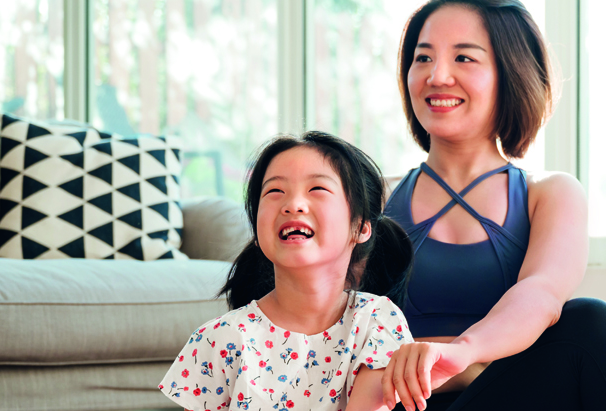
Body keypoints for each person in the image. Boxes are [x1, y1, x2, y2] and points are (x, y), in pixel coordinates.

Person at [380, 1, 606, 410]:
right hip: (396, 403)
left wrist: (462, 354)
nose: (438, 76)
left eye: (464, 57)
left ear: (509, 72)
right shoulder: (371, 199)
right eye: (423, 58)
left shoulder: (551, 194)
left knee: (586, 324)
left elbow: (541, 297)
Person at [159, 131, 416, 411]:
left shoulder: (376, 321)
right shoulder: (217, 338)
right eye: (274, 192)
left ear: (360, 227)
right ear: (257, 230)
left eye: (317, 189)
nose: (293, 204)